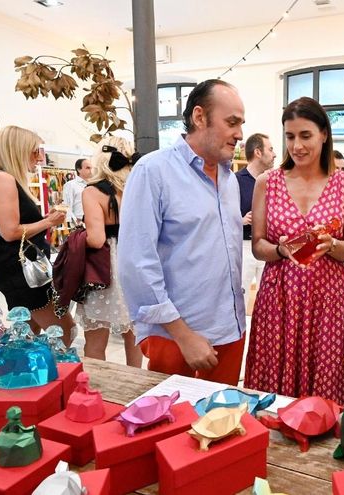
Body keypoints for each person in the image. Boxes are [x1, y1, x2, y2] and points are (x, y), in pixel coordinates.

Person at [118, 79, 246, 385]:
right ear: (199, 117)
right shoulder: (154, 171)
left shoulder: (229, 178)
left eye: (241, 124)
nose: (240, 134)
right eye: (232, 123)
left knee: (222, 422)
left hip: (230, 329)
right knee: (171, 424)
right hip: (177, 336)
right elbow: (136, 263)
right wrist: (183, 335)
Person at [243, 97, 344, 405]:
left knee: (325, 395)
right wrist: (280, 250)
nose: (297, 145)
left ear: (324, 133)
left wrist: (332, 245)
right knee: (275, 393)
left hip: (328, 302)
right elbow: (258, 245)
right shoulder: (267, 183)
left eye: (305, 135)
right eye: (290, 136)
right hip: (279, 299)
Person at [0, 125, 75, 344]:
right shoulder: (2, 179)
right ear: (17, 150)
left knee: (28, 334)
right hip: (22, 271)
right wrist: (48, 222)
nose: (39, 158)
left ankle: (29, 374)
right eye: (35, 151)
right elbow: (10, 232)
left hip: (19, 268)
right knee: (64, 331)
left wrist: (43, 221)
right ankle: (53, 374)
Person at [76, 136, 143, 367]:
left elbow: (96, 239)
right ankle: (135, 387)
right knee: (134, 335)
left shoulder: (92, 192)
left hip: (104, 267)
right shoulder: (138, 187)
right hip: (135, 262)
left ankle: (98, 392)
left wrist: (77, 238)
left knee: (96, 338)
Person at [237, 133, 275, 294]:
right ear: (258, 152)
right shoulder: (235, 181)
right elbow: (222, 218)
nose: (274, 154)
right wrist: (242, 220)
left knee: (269, 296)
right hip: (244, 247)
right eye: (271, 149)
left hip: (268, 246)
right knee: (241, 296)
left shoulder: (273, 182)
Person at [62, 158, 92, 225]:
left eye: (91, 168)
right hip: (78, 224)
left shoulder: (93, 185)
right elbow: (67, 206)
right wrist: (76, 223)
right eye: (88, 168)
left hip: (92, 223)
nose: (91, 170)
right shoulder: (70, 185)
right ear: (79, 169)